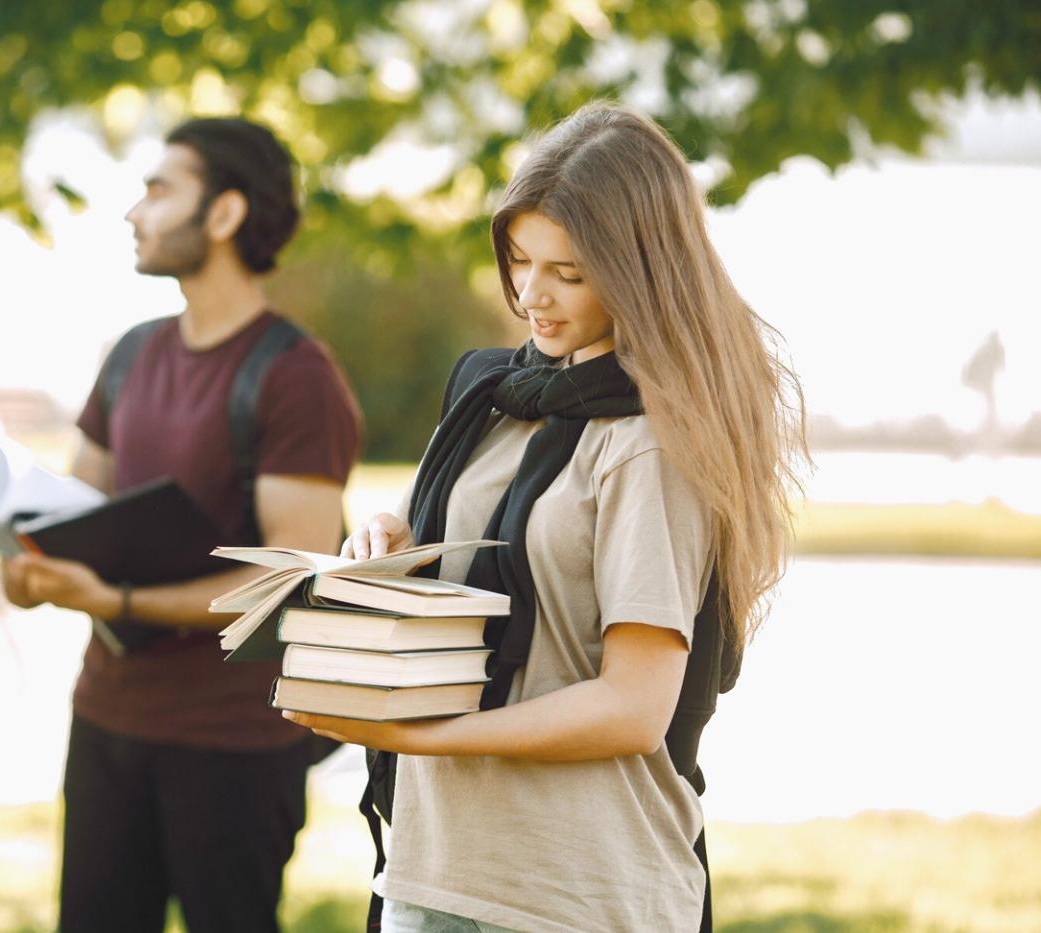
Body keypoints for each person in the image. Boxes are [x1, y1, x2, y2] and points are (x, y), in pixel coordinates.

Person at [286, 102, 807, 931]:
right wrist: (395, 542)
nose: (530, 294)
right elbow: (494, 545)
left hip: (574, 890)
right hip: (431, 865)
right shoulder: (492, 394)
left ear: (639, 271)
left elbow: (633, 706)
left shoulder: (648, 440)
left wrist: (422, 733)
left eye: (567, 272)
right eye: (519, 259)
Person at [0, 117, 363, 933]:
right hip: (105, 723)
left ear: (225, 214)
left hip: (231, 746)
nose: (135, 210)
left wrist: (120, 598)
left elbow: (289, 583)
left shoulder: (294, 377)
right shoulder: (131, 353)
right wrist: (24, 562)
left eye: (160, 189)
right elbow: (74, 515)